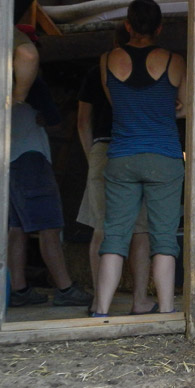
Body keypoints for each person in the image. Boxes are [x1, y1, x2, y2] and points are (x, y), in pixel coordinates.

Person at [93, 0, 186, 316]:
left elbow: (117, 104)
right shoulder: (175, 60)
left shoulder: (106, 59)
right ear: (159, 28)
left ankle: (101, 311)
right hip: (164, 156)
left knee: (115, 235)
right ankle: (166, 312)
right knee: (164, 239)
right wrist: (165, 107)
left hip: (122, 155)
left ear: (128, 26)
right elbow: (184, 107)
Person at [8, 26, 93, 308]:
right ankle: (65, 288)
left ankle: (18, 289)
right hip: (30, 157)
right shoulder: (34, 83)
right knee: (49, 227)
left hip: (7, 161)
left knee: (15, 229)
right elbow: (54, 120)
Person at [76, 24, 155, 315]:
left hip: (104, 147)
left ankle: (100, 301)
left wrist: (93, 156)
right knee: (141, 231)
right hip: (140, 148)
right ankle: (139, 300)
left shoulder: (96, 71)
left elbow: (83, 121)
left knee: (101, 227)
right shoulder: (153, 69)